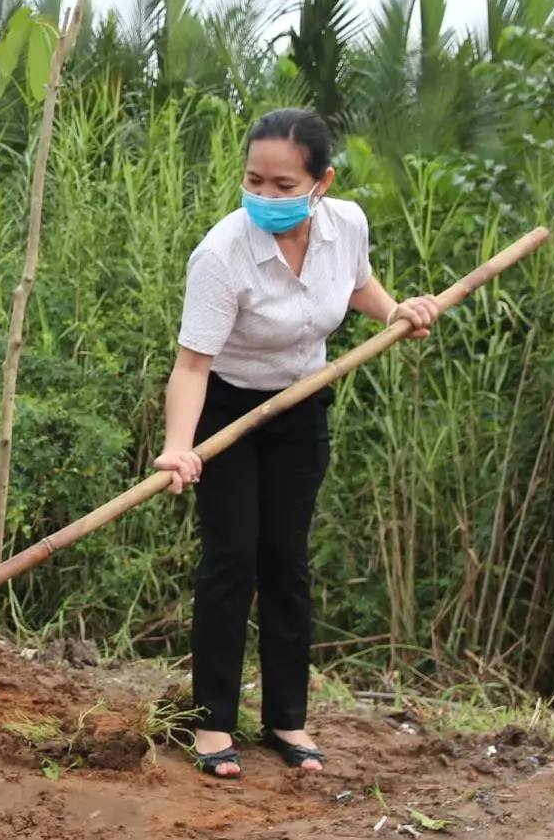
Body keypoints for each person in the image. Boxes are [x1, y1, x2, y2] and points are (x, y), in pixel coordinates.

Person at [152, 108, 439, 780]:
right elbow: (191, 365)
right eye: (255, 181)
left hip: (301, 404)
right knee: (231, 560)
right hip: (226, 408)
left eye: (284, 185)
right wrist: (178, 446)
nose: (266, 196)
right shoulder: (222, 254)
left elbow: (356, 284)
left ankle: (288, 718)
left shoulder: (347, 226)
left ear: (321, 181)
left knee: (287, 561)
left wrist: (395, 309)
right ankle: (213, 724)